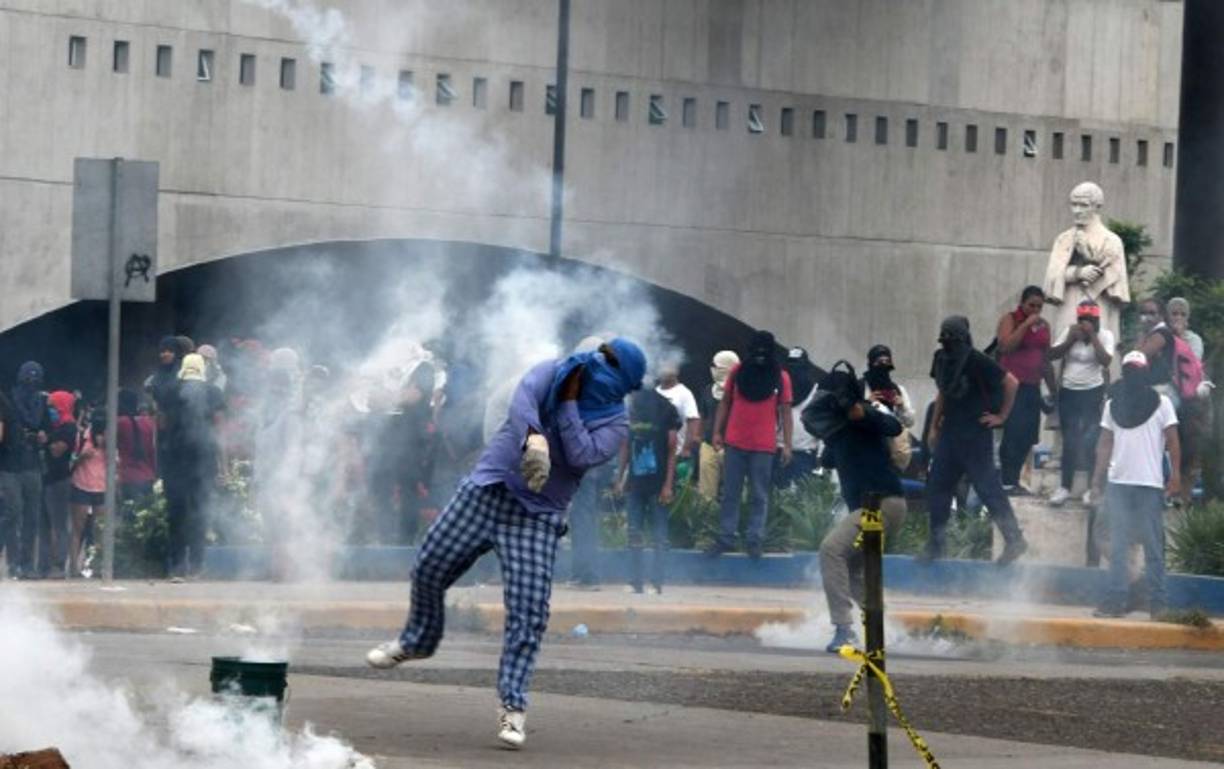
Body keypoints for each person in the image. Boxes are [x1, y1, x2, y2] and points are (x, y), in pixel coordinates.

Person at [365, 339, 645, 749]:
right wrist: (533, 437)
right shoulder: (551, 370)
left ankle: (512, 707)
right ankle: (417, 641)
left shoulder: (614, 420)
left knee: (528, 613)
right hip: (488, 487)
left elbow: (583, 454)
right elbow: (521, 401)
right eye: (584, 366)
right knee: (428, 565)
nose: (582, 374)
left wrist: (567, 406)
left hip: (536, 515)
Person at [815, 365, 906, 652]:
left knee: (831, 550)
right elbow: (829, 459)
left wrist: (862, 412)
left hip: (883, 503)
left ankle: (844, 630)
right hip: (868, 506)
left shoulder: (868, 414)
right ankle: (881, 628)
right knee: (852, 570)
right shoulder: (839, 429)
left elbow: (894, 426)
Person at [923, 316, 1028, 564]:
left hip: (976, 433)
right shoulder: (941, 359)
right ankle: (936, 545)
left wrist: (1001, 416)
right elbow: (943, 392)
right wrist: (933, 427)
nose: (949, 344)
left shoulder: (977, 360)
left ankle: (1014, 541)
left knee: (988, 489)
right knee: (938, 487)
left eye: (952, 338)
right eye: (945, 338)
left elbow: (1011, 382)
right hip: (950, 433)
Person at [1091, 351, 1179, 619]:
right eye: (1130, 368)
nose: (1133, 373)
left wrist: (1175, 477)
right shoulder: (1112, 405)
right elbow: (1105, 443)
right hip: (1119, 484)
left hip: (1149, 485)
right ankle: (1116, 601)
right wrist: (1098, 478)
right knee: (1118, 548)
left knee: (1153, 547)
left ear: (1145, 372)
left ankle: (1158, 603)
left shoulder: (1162, 403)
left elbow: (1173, 440)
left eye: (1137, 368)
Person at [708, 332, 793, 559]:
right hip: (735, 442)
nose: (761, 355)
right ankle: (726, 537)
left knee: (759, 495)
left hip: (764, 446)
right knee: (730, 493)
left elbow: (786, 411)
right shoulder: (737, 372)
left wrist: (787, 444)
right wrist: (717, 432)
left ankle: (754, 540)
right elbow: (725, 402)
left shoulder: (780, 377)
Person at [1047, 300, 1114, 506]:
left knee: (1091, 439)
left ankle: (1090, 489)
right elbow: (1051, 354)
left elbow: (1106, 361)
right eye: (1082, 319)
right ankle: (1064, 487)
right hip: (1069, 390)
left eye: (1090, 320)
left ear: (1097, 321)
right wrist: (1069, 340)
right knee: (1070, 438)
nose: (1085, 323)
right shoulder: (1070, 332)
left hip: (1092, 390)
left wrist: (1093, 336)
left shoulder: (1105, 335)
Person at [614, 384, 680, 594]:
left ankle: (657, 583)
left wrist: (668, 485)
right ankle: (636, 582)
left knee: (659, 536)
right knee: (634, 533)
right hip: (635, 484)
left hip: (658, 484)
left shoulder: (666, 409)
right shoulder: (630, 408)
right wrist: (620, 477)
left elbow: (671, 451)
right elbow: (625, 445)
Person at [164, 353, 225, 579]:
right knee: (200, 513)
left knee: (177, 512)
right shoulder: (214, 392)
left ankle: (178, 567)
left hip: (176, 459)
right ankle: (197, 567)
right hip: (204, 459)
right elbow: (218, 431)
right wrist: (224, 465)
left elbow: (162, 424)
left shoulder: (171, 391)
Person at [995, 286, 1057, 494]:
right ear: (1022, 303)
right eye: (1031, 305)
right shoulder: (1011, 319)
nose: (1035, 310)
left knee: (1028, 435)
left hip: (1033, 385)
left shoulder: (1044, 326)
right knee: (1013, 432)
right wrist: (1025, 325)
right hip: (1012, 385)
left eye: (1039, 306)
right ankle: (1006, 480)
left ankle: (1015, 478)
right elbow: (1005, 346)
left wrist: (1054, 391)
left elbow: (1046, 361)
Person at [0, 361, 49, 579]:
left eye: (35, 377)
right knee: (12, 512)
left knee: (32, 516)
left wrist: (44, 436)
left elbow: (48, 429)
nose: (32, 382)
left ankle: (26, 564)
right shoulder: (6, 399)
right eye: (28, 377)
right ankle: (13, 563)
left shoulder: (41, 402)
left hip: (32, 464)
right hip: (10, 464)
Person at [39, 391, 78, 578]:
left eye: (54, 406)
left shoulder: (69, 427)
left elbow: (57, 450)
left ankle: (59, 565)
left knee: (59, 524)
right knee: (44, 525)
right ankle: (44, 565)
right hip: (46, 479)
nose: (50, 410)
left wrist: (46, 441)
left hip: (59, 480)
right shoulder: (53, 427)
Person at [776, 347, 823, 488]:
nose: (794, 372)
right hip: (778, 451)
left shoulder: (817, 394)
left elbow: (822, 427)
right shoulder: (777, 391)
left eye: (798, 368)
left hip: (805, 456)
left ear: (806, 369)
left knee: (801, 505)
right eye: (791, 367)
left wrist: (820, 455)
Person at [696, 350, 739, 502]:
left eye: (717, 366)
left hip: (733, 447)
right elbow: (702, 415)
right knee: (706, 495)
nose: (713, 369)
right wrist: (698, 437)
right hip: (708, 445)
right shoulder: (708, 390)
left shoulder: (740, 392)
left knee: (732, 492)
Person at [68, 417, 107, 578]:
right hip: (81, 485)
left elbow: (115, 462)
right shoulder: (82, 437)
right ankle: (73, 568)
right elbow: (71, 462)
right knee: (78, 529)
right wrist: (82, 457)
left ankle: (96, 567)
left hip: (101, 487)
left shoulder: (110, 440)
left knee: (99, 529)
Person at [654, 361, 700, 481]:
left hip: (677, 452)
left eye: (669, 366)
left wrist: (687, 448)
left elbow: (693, 420)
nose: (665, 370)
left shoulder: (684, 393)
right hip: (656, 452)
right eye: (662, 366)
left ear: (677, 371)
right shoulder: (655, 392)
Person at [116, 389, 157, 505]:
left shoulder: (120, 423)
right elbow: (152, 451)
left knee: (129, 519)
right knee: (146, 519)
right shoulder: (148, 423)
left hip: (129, 478)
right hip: (147, 476)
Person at [863, 344, 915, 430]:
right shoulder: (861, 387)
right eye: (879, 361)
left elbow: (910, 423)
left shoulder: (898, 390)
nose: (883, 365)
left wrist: (901, 407)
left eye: (887, 361)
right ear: (871, 363)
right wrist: (868, 404)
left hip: (892, 439)